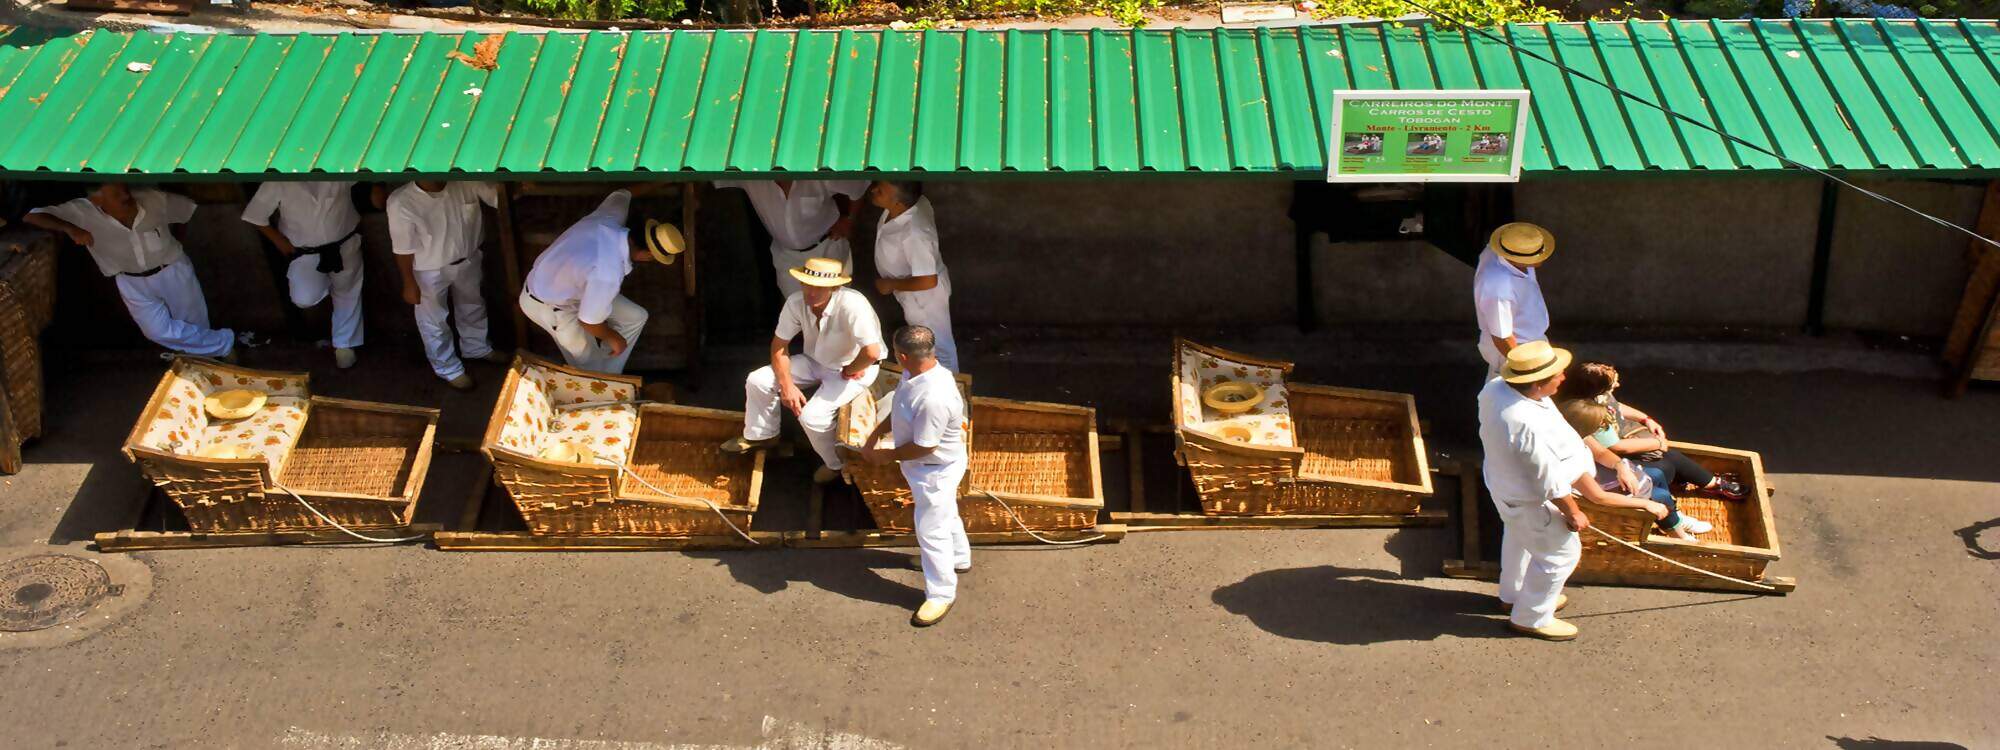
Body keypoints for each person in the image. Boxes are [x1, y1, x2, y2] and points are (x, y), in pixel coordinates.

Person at [1478, 340, 1665, 641]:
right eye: (1556, 375)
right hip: (1530, 498)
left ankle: (1513, 595)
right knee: (1559, 555)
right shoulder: (1525, 424)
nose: (1563, 378)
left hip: (1506, 486)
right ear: (1537, 383)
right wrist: (1573, 511)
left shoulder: (1497, 388)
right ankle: (1531, 616)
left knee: (1520, 542)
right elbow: (1547, 479)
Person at [25, 184, 259, 360]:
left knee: (195, 323)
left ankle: (207, 368)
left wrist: (177, 241)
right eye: (117, 194)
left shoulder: (153, 199)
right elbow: (31, 215)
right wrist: (70, 229)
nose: (126, 196)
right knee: (155, 330)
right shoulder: (81, 211)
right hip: (130, 280)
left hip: (172, 270)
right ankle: (226, 343)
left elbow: (187, 210)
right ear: (97, 200)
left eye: (124, 190)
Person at [720, 256, 885, 485]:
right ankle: (763, 436)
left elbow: (872, 352)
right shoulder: (796, 302)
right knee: (757, 380)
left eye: (820, 287)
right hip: (816, 360)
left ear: (835, 287)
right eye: (807, 284)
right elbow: (779, 346)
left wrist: (851, 369)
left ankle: (835, 465)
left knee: (812, 418)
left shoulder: (852, 304)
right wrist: (787, 386)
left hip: (855, 367)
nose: (811, 292)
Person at [859, 325, 970, 628]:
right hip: (932, 466)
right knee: (946, 514)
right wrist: (875, 435)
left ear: (904, 356)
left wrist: (885, 455)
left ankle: (941, 593)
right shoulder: (919, 372)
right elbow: (899, 405)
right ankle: (960, 557)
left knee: (930, 530)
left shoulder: (934, 397)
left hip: (934, 471)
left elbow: (924, 446)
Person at [520, 188, 683, 374]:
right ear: (648, 255)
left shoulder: (611, 217)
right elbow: (589, 321)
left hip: (564, 287)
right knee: (588, 364)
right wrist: (614, 337)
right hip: (547, 305)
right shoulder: (608, 272)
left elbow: (623, 193)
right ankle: (599, 380)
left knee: (635, 317)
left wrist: (660, 182)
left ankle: (610, 375)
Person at [1555, 360, 1747, 500]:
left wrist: (1645, 419)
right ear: (1597, 390)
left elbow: (1617, 406)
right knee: (1666, 465)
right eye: (1614, 384)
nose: (1618, 385)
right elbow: (1617, 447)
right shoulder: (1588, 415)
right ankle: (1705, 485)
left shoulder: (1600, 397)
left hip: (1620, 451)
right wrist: (1659, 443)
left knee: (1671, 457)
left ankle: (1709, 483)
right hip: (1609, 462)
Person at [240, 181, 374, 369]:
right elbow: (255, 215)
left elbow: (367, 174)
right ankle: (327, 289)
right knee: (304, 298)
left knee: (348, 292)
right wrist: (279, 242)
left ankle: (344, 346)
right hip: (305, 252)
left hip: (345, 244)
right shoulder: (278, 180)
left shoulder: (337, 169)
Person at [386, 180, 505, 390]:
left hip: (468, 258)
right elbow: (402, 248)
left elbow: (500, 199)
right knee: (434, 320)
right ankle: (448, 368)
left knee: (473, 305)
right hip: (428, 269)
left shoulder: (464, 181)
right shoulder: (401, 201)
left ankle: (476, 348)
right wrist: (409, 283)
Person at [1559, 399, 1704, 541]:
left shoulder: (1579, 435)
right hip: (1595, 495)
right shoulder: (1570, 460)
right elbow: (1599, 497)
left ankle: (1672, 517)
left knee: (1657, 474)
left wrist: (1621, 467)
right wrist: (1646, 504)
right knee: (1660, 496)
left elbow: (1601, 453)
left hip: (1600, 477)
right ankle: (1678, 535)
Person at [712, 180, 868, 299]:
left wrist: (849, 219)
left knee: (834, 307)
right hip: (786, 255)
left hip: (827, 248)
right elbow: (708, 174)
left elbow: (860, 185)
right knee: (799, 313)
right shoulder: (753, 177)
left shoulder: (817, 173)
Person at [866, 181, 958, 372]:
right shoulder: (912, 203)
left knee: (936, 346)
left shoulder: (915, 233)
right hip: (913, 292)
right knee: (926, 342)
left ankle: (952, 389)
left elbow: (928, 280)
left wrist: (890, 284)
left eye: (880, 191)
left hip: (924, 297)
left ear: (898, 204)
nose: (873, 190)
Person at [1472, 222, 1554, 380]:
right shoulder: (1498, 289)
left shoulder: (1501, 249)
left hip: (1533, 341)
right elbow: (1502, 337)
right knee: (1509, 399)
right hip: (1516, 350)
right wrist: (1526, 369)